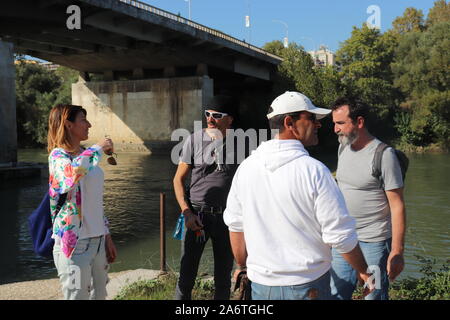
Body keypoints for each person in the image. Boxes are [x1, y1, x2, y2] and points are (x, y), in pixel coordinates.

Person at [223, 91, 374, 300]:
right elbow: (339, 235)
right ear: (289, 123)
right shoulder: (314, 170)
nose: (318, 124)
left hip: (261, 287)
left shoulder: (246, 168)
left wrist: (243, 265)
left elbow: (236, 226)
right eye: (311, 118)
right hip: (307, 286)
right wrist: (364, 271)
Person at [330, 97, 406, 300]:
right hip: (344, 240)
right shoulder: (343, 147)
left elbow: (397, 205)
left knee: (374, 295)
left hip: (375, 243)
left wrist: (397, 251)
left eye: (340, 123)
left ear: (359, 122)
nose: (335, 129)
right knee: (336, 293)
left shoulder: (384, 155)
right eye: (334, 123)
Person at [47, 104, 117, 300]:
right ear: (69, 125)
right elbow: (71, 176)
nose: (89, 124)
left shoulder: (86, 154)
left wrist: (107, 235)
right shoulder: (58, 157)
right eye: (83, 120)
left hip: (98, 243)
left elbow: (95, 202)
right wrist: (99, 148)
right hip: (75, 247)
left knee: (100, 296)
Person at [173, 95, 238, 300]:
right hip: (197, 217)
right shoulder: (194, 139)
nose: (210, 119)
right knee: (186, 276)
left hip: (226, 218)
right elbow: (178, 180)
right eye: (207, 114)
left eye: (216, 115)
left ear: (229, 120)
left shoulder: (241, 144)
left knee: (223, 278)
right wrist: (187, 212)